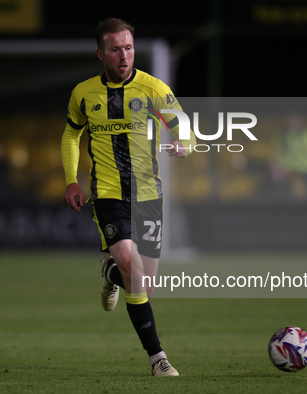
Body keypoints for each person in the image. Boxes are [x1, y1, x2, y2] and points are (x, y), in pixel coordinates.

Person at [61, 18, 195, 377]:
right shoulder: (84, 93)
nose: (125, 55)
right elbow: (71, 136)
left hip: (149, 196)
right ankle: (158, 359)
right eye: (117, 49)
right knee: (131, 265)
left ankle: (110, 272)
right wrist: (71, 180)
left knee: (142, 283)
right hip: (107, 194)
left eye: (129, 47)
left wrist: (184, 142)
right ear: (101, 54)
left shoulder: (152, 88)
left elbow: (182, 124)